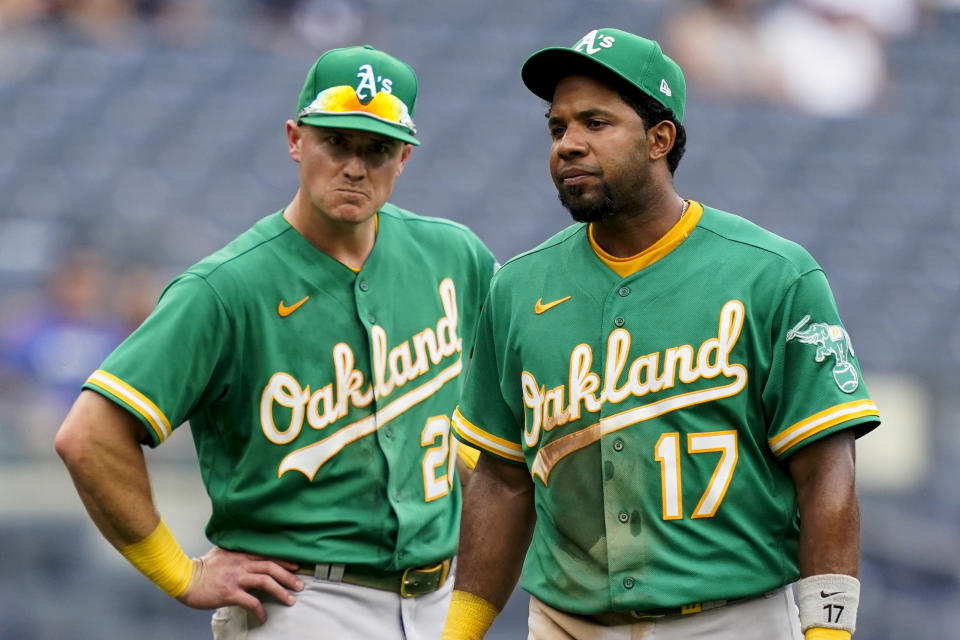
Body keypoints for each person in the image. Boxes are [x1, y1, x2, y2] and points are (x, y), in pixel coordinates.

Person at [442, 28, 879, 640]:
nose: (568, 144)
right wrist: (458, 632)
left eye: (595, 123)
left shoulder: (773, 275)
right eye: (558, 127)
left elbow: (827, 470)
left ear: (660, 138)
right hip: (570, 623)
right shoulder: (516, 288)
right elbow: (501, 480)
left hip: (733, 618)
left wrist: (829, 631)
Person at [55, 44, 496, 639]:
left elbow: (487, 419)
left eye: (377, 149)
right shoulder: (224, 288)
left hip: (440, 600)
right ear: (295, 139)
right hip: (303, 601)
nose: (355, 166)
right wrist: (179, 573)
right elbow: (89, 436)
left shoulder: (456, 257)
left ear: (405, 157)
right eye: (336, 142)